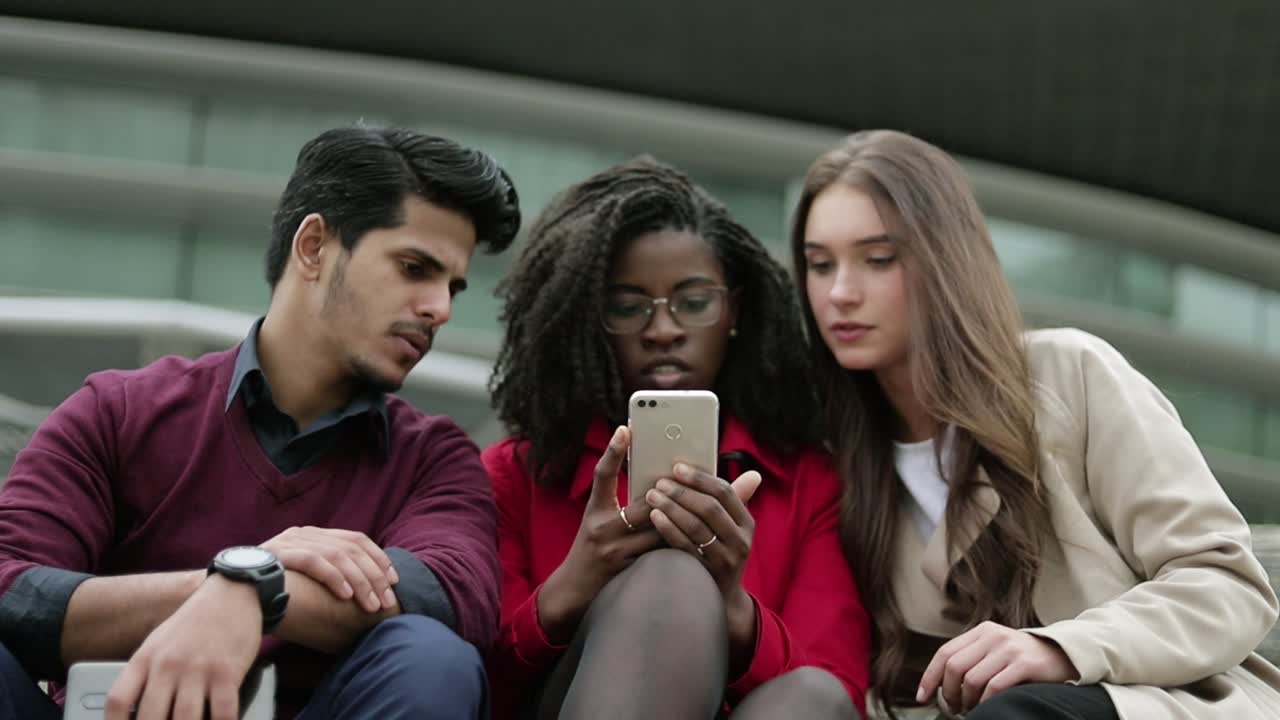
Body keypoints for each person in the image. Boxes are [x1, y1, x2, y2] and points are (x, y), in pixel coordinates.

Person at [0, 126, 521, 720]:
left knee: (431, 656)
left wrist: (252, 594)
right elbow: (10, 588)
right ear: (315, 246)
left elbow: (451, 598)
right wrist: (222, 587)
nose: (440, 309)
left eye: (452, 286)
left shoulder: (435, 460)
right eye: (413, 267)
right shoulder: (117, 412)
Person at [790, 129, 1280, 720]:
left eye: (878, 259)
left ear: (945, 259)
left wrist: (1060, 649)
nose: (840, 293)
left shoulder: (1070, 373)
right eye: (820, 265)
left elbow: (1227, 584)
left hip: (1147, 703)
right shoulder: (840, 463)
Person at [482, 157, 871, 720]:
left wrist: (735, 608)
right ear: (584, 318)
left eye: (693, 303)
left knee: (814, 693)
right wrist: (576, 581)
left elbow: (838, 694)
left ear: (734, 311)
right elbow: (476, 685)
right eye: (626, 306)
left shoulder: (809, 481)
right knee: (670, 580)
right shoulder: (514, 473)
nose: (663, 330)